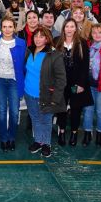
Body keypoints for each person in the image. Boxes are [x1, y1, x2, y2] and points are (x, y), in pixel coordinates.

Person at [24, 27, 65, 157]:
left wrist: (55, 98)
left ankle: (46, 143)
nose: (38, 39)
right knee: (35, 117)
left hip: (46, 94)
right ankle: (38, 141)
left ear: (47, 39)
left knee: (46, 119)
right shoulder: (29, 51)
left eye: (41, 36)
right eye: (36, 36)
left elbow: (61, 79)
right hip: (29, 92)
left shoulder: (54, 55)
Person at [0, 16, 26, 151]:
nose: (7, 29)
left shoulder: (21, 43)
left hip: (14, 81)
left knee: (15, 112)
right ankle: (4, 138)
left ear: (14, 28)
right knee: (2, 110)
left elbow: (23, 64)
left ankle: (12, 137)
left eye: (10, 26)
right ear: (1, 28)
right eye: (4, 26)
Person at [54, 19, 90, 147]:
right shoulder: (57, 41)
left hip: (76, 83)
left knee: (76, 108)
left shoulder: (82, 43)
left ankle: (74, 132)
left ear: (76, 28)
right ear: (63, 28)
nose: (69, 29)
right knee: (61, 108)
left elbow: (85, 66)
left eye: (72, 26)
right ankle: (62, 131)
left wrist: (81, 84)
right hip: (61, 83)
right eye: (67, 26)